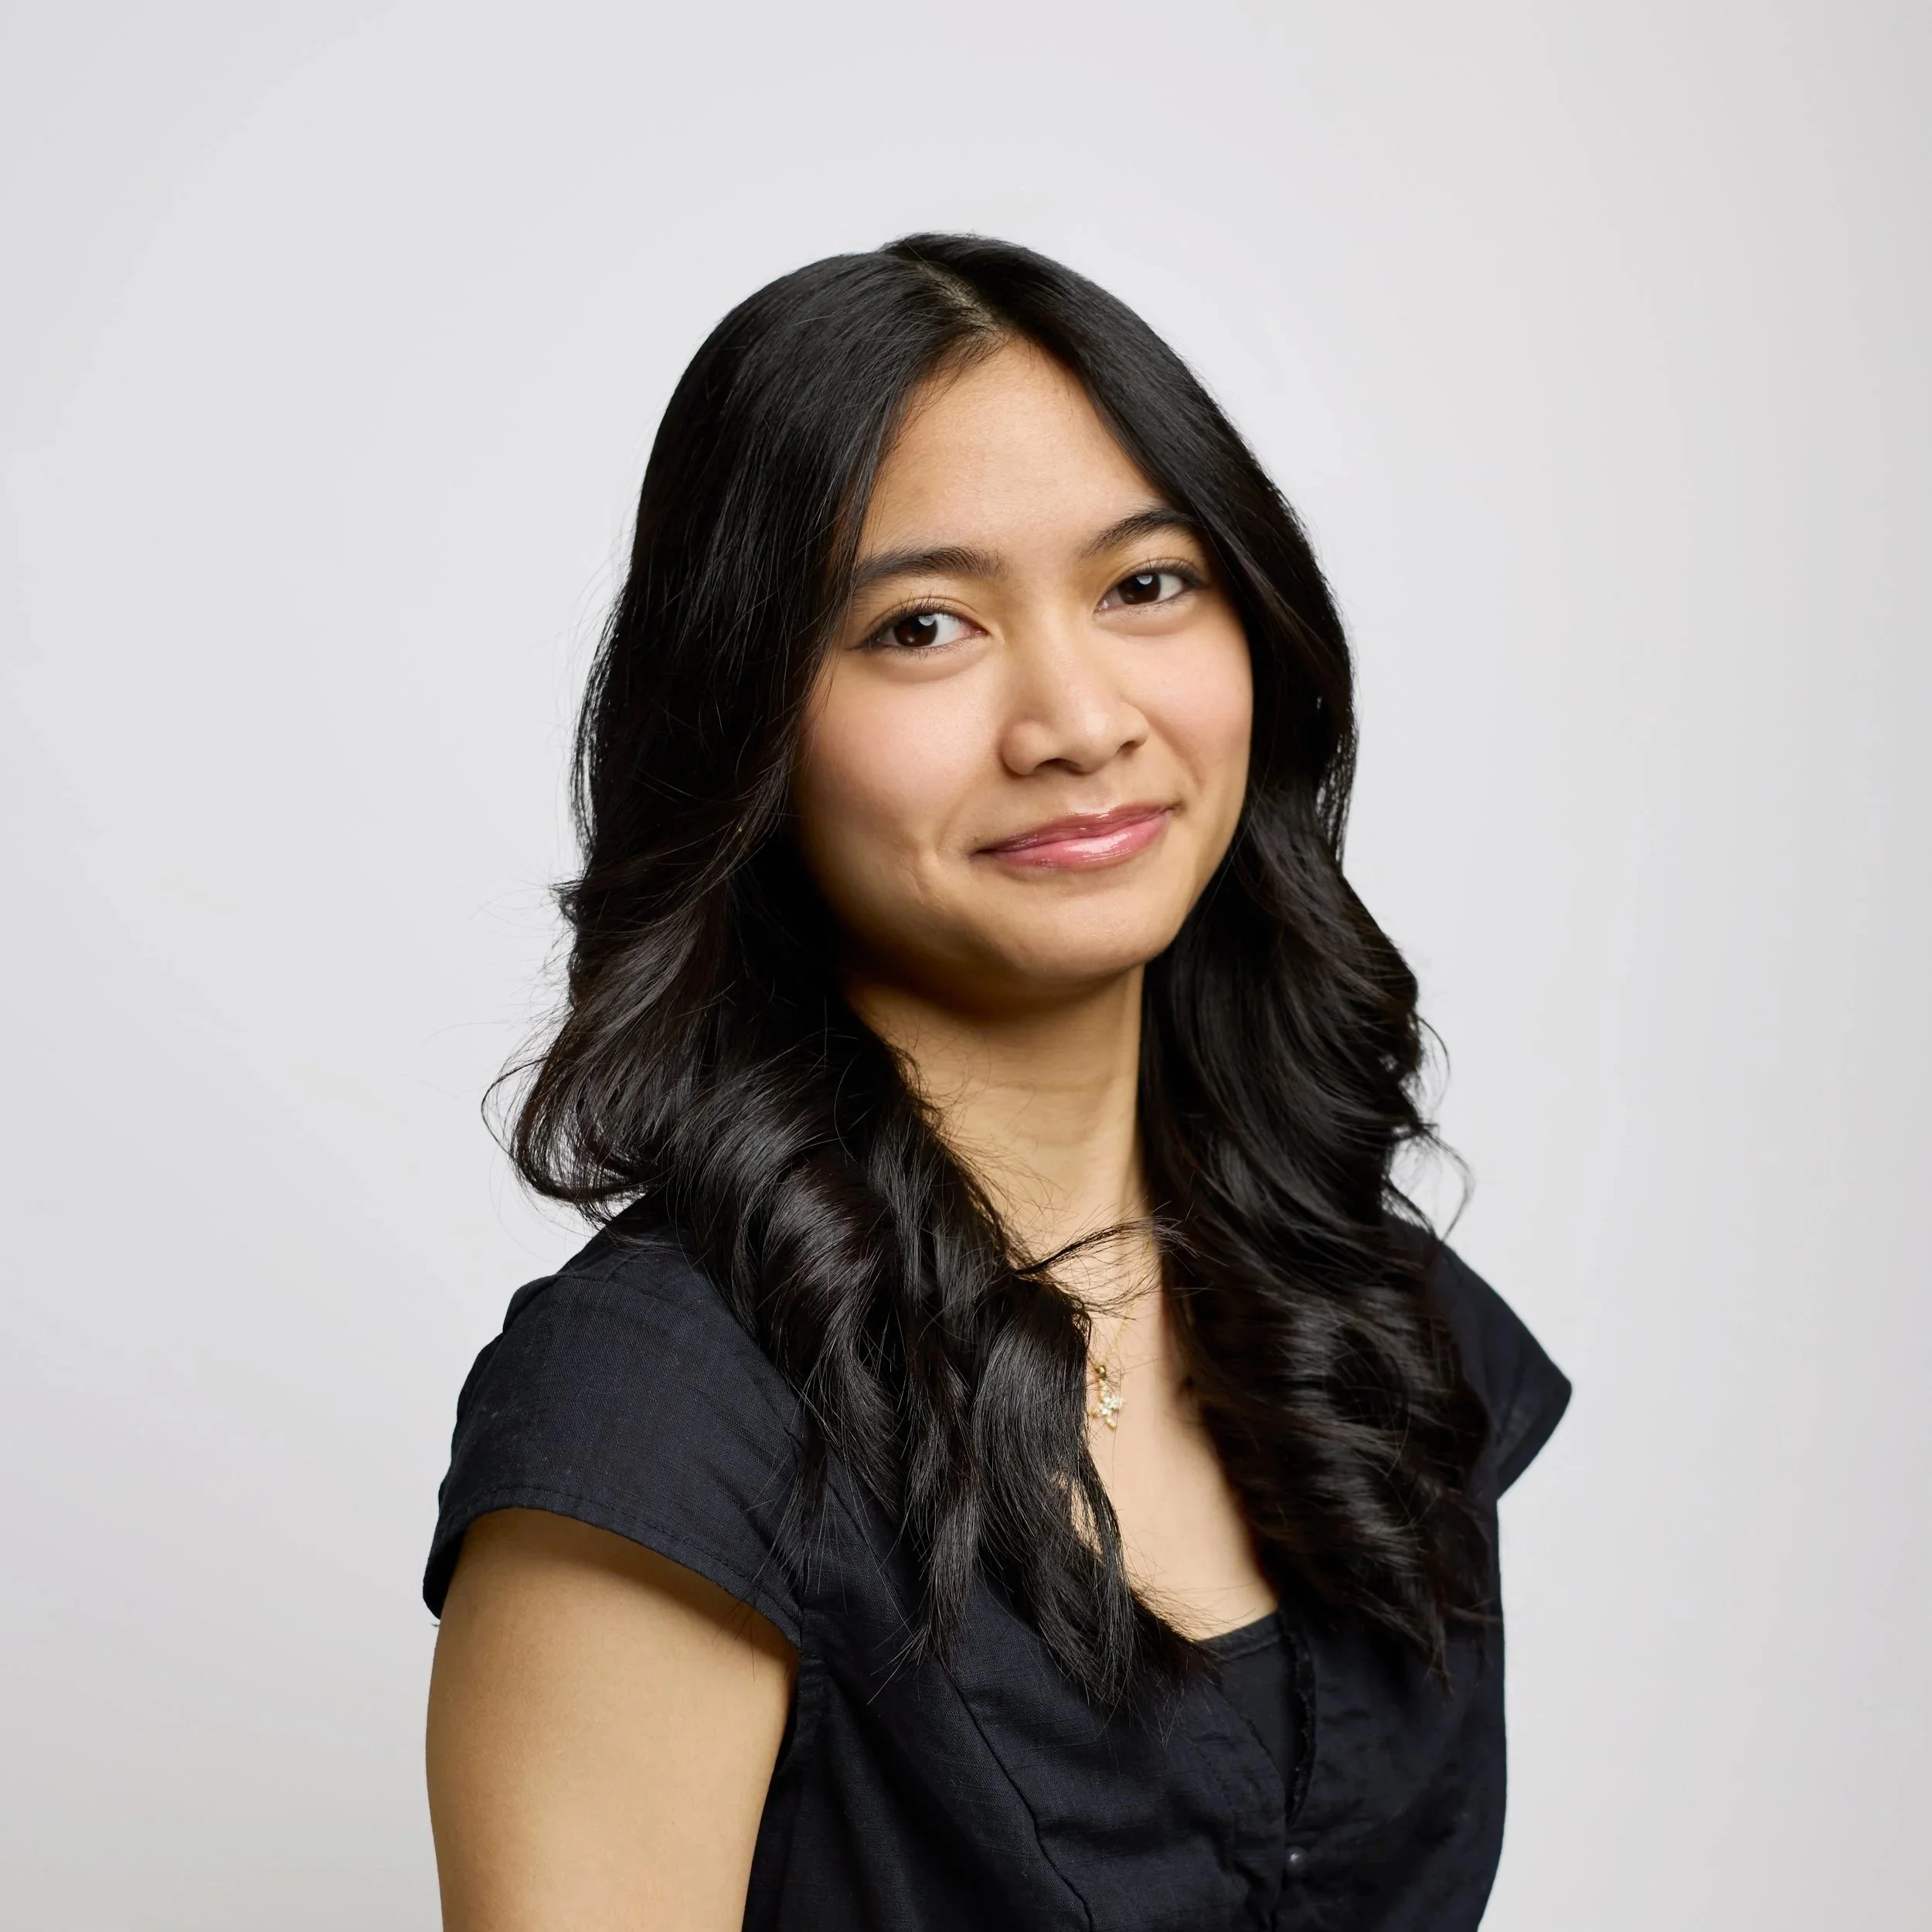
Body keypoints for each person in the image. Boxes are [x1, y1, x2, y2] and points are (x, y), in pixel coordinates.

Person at [421, 234, 1570, 1932]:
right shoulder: (658, 1419)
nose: (1077, 716)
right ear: (748, 719)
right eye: (924, 625)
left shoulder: (1374, 1315)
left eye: (1145, 584)